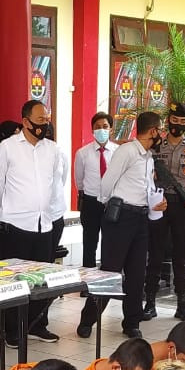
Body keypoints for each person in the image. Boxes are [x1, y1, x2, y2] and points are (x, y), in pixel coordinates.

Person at [76, 111, 167, 341]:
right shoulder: (127, 151)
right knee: (110, 272)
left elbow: (144, 187)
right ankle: (88, 319)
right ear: (153, 130)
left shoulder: (148, 156)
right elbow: (107, 182)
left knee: (137, 273)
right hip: (121, 217)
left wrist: (155, 203)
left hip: (141, 218)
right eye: (160, 129)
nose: (162, 134)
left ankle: (131, 322)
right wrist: (111, 204)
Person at [0, 100, 67, 345]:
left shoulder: (52, 149)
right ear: (25, 122)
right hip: (15, 224)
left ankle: (36, 325)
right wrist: (13, 209)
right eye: (39, 120)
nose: (44, 125)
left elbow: (57, 183)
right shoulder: (8, 148)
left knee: (40, 278)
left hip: (44, 223)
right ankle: (10, 329)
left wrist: (49, 211)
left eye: (46, 120)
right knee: (14, 280)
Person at [144, 101, 185, 322]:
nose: (177, 125)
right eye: (174, 120)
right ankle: (149, 303)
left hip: (182, 205)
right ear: (168, 120)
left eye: (183, 122)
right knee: (155, 254)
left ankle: (182, 304)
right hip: (158, 203)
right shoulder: (155, 146)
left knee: (182, 256)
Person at [74, 111, 117, 268]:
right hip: (91, 203)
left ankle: (107, 279)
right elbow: (79, 180)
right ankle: (88, 283)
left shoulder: (118, 152)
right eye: (97, 127)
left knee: (110, 243)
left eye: (105, 126)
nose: (101, 130)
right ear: (92, 130)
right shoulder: (82, 153)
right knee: (89, 244)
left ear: (111, 129)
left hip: (112, 203)